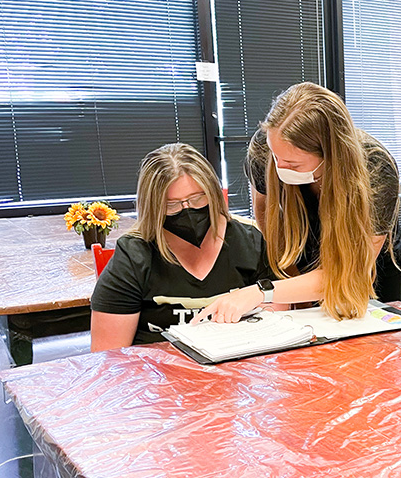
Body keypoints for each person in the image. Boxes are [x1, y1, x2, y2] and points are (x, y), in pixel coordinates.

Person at [198, 82, 401, 323]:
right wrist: (289, 279)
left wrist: (261, 291)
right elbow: (267, 219)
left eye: (292, 164)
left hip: (365, 254)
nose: (279, 167)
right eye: (276, 157)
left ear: (330, 155)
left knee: (369, 336)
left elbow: (348, 275)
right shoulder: (266, 150)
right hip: (301, 235)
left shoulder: (375, 170)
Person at [90, 143, 273, 350]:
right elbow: (109, 356)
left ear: (213, 193)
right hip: (160, 375)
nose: (188, 211)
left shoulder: (250, 244)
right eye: (171, 205)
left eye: (197, 199)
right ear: (154, 207)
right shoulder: (134, 256)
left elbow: (276, 325)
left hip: (239, 368)